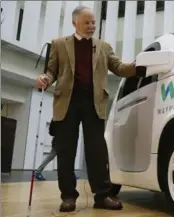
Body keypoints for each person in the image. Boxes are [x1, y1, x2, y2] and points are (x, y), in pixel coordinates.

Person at [35, 6, 137, 212]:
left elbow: (119, 68)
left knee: (97, 152)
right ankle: (68, 197)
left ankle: (102, 196)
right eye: (87, 23)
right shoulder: (58, 44)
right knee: (66, 152)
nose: (91, 26)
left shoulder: (103, 47)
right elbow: (51, 72)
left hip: (94, 103)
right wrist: (45, 79)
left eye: (93, 23)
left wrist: (139, 65)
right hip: (67, 103)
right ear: (75, 23)